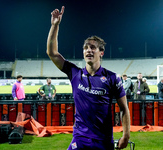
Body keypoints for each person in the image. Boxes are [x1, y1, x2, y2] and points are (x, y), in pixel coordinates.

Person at [47, 6, 130, 150]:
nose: (88, 50)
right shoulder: (74, 73)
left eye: (93, 47)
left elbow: (124, 108)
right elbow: (52, 53)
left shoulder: (112, 78)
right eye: (86, 47)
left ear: (101, 52)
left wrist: (126, 135)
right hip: (79, 138)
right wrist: (55, 26)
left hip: (103, 141)